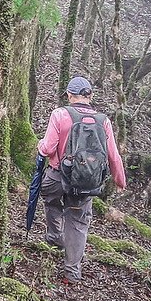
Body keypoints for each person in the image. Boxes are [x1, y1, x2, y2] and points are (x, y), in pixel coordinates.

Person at [37, 76, 126, 283]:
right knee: (77, 222)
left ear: (69, 95)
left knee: (50, 198)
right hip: (85, 182)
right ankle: (72, 273)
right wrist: (120, 180)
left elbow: (48, 148)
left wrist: (40, 146)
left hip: (58, 176)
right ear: (90, 96)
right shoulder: (103, 120)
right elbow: (113, 155)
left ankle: (54, 236)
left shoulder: (60, 114)